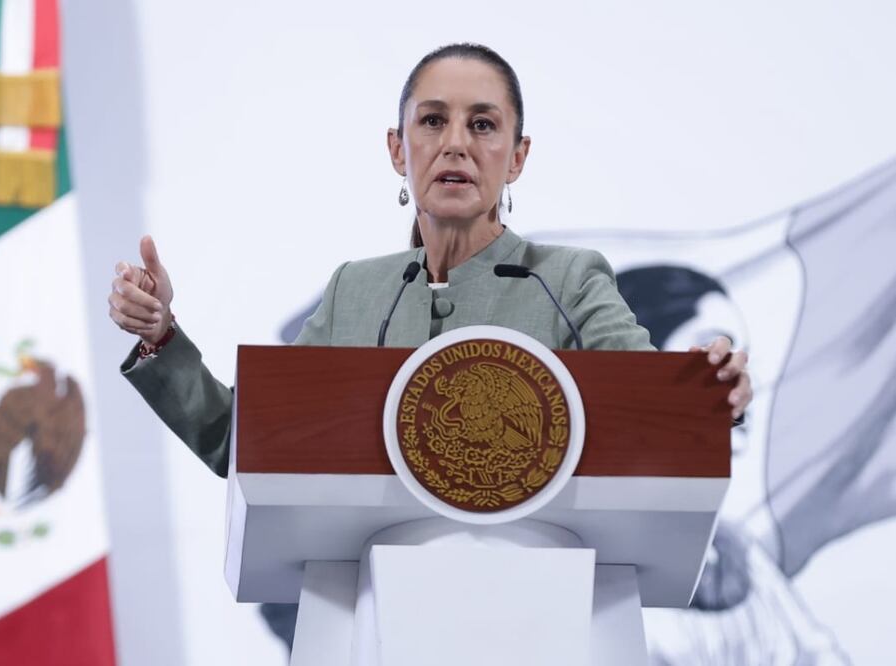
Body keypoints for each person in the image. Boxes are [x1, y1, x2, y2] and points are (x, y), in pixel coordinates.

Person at [107, 42, 754, 650]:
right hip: (371, 625)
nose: (454, 144)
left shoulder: (567, 280)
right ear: (397, 148)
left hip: (543, 622)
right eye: (432, 121)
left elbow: (656, 408)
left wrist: (711, 392)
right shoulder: (353, 291)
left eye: (481, 124)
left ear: (517, 155)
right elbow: (239, 440)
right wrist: (160, 335)